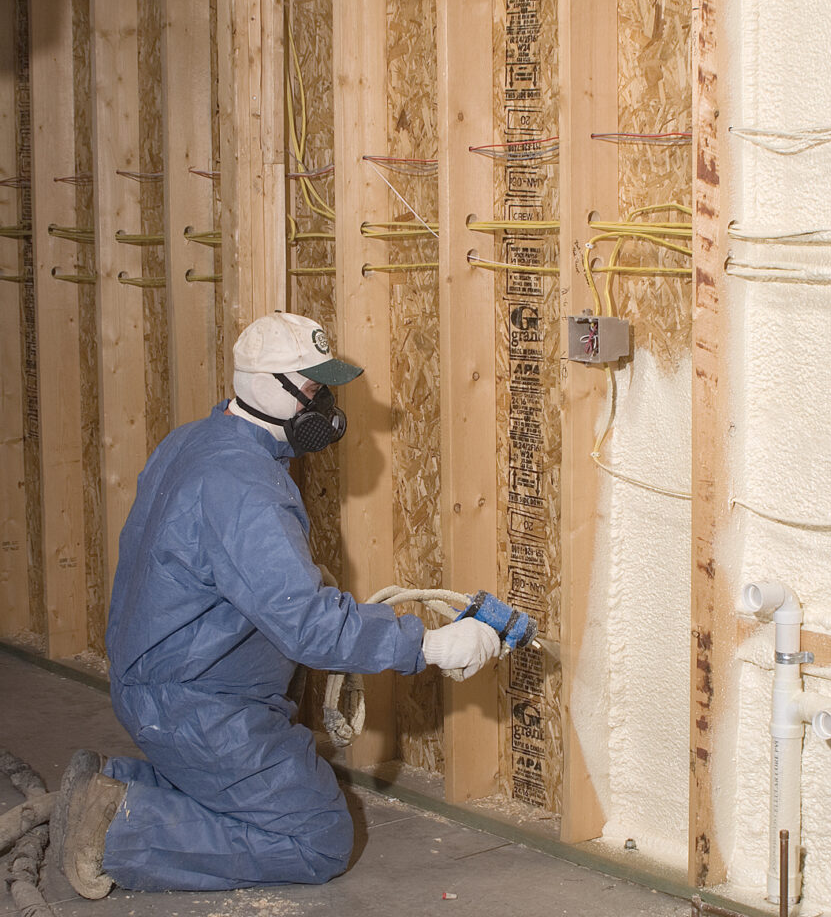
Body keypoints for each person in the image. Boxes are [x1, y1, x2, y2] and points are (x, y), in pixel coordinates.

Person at [51, 312, 501, 899]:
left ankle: (113, 784)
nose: (325, 407)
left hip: (173, 684)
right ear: (268, 387)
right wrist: (430, 644)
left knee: (257, 793)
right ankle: (118, 834)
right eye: (312, 390)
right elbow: (307, 626)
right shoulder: (245, 488)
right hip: (201, 703)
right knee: (316, 838)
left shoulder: (197, 442)